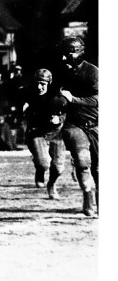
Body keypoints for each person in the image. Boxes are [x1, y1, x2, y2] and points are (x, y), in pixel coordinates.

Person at [55, 36, 98, 216]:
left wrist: (73, 99)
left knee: (99, 166)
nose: (64, 59)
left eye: (68, 54)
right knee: (82, 161)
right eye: (63, 55)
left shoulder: (93, 72)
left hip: (96, 123)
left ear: (79, 53)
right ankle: (89, 197)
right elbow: (54, 97)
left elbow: (98, 99)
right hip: (74, 124)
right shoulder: (61, 72)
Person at [22, 68, 67, 199]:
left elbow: (69, 112)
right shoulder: (29, 94)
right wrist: (24, 110)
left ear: (49, 83)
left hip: (56, 132)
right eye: (37, 83)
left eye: (43, 83)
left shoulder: (57, 96)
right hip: (37, 132)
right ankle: (39, 169)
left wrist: (59, 119)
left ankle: (51, 185)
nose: (39, 86)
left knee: (58, 168)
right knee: (44, 163)